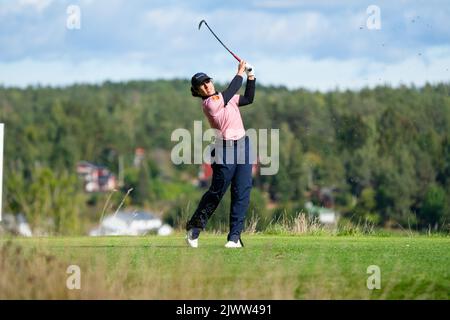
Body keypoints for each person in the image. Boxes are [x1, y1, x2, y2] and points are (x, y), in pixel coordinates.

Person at [186, 60, 256, 248]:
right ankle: (194, 228)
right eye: (202, 84)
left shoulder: (227, 97)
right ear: (197, 91)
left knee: (242, 192)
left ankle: (234, 238)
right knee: (217, 192)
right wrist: (240, 72)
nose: (206, 85)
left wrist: (251, 76)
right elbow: (230, 91)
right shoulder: (210, 104)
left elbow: (248, 99)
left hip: (243, 146)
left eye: (207, 81)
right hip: (224, 149)